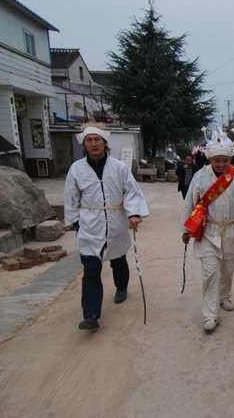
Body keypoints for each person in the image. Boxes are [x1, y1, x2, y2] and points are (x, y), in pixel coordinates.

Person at [64, 124, 149, 331]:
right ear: (84, 144)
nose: (93, 144)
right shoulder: (76, 169)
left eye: (97, 140)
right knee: (91, 269)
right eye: (89, 140)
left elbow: (131, 191)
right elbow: (71, 197)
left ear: (104, 143)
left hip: (116, 221)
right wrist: (76, 222)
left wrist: (134, 213)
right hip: (90, 225)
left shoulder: (119, 167)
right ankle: (91, 315)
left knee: (118, 258)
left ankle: (121, 287)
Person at [181, 128, 234, 333]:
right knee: (210, 273)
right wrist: (186, 229)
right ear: (210, 159)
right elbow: (190, 202)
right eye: (217, 160)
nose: (221, 164)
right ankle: (210, 314)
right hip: (208, 230)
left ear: (229, 158)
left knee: (227, 270)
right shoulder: (200, 176)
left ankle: (224, 296)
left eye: (225, 160)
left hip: (231, 230)